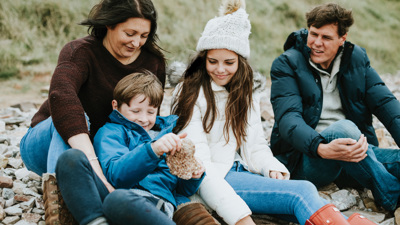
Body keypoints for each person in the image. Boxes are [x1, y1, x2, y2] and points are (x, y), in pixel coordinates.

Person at [171, 0, 375, 225]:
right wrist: (238, 216)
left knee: (300, 209)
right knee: (303, 192)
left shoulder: (244, 90)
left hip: (242, 172)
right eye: (212, 61)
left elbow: (256, 146)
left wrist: (270, 166)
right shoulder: (189, 92)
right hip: (214, 181)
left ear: (240, 61)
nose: (220, 69)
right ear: (203, 60)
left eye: (229, 62)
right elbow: (198, 163)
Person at [19, 0, 165, 224]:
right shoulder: (79, 51)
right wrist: (94, 164)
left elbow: (149, 120)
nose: (136, 42)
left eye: (144, 35)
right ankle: (61, 202)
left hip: (107, 150)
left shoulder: (153, 62)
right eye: (130, 33)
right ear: (109, 25)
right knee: (74, 115)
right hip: (47, 143)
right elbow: (61, 95)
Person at [270, 2, 400, 214]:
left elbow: (387, 105)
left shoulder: (356, 61)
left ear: (342, 39)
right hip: (307, 158)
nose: (316, 43)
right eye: (314, 34)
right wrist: (321, 148)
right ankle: (391, 196)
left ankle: (376, 180)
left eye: (326, 37)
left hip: (357, 156)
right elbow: (288, 120)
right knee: (345, 130)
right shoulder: (287, 64)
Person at [57, 71, 216, 225]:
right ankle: (95, 221)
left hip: (152, 206)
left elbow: (179, 189)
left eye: (151, 112)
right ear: (116, 106)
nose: (144, 119)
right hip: (113, 198)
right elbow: (116, 176)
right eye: (135, 111)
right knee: (70, 158)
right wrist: (152, 151)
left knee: (118, 201)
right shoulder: (110, 133)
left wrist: (193, 177)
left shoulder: (167, 135)